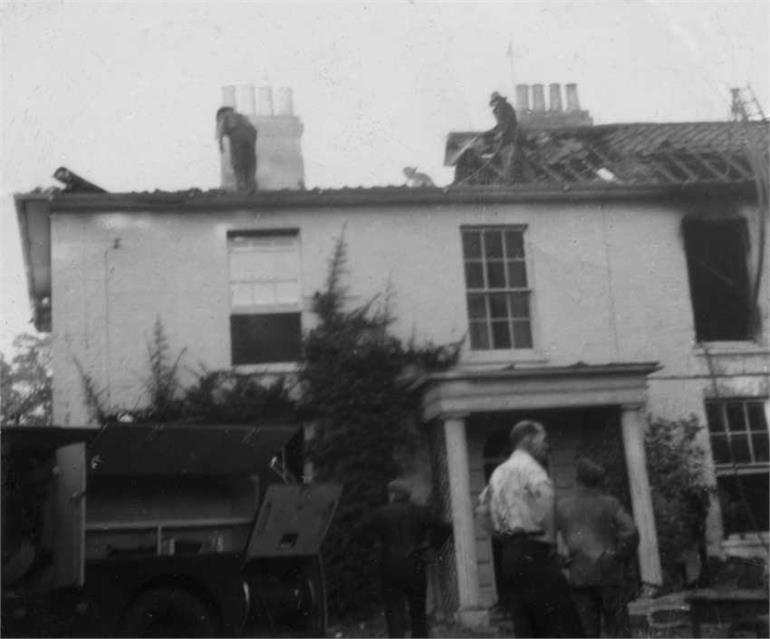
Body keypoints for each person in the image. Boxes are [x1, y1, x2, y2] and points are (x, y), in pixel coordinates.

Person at [487, 420, 584, 638]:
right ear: (528, 439)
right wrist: (551, 542)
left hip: (510, 554)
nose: (546, 445)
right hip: (535, 549)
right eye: (543, 439)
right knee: (561, 622)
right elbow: (546, 498)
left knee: (525, 624)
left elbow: (482, 512)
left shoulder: (498, 472)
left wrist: (504, 536)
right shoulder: (531, 468)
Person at [556, 458, 639, 638]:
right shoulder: (610, 504)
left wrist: (563, 562)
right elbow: (630, 531)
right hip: (609, 573)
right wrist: (619, 555)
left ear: (577, 479)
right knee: (618, 630)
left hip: (578, 575)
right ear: (599, 481)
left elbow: (551, 540)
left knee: (586, 632)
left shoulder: (562, 507)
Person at [358, 479, 451, 638]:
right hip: (415, 563)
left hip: (389, 564)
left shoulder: (381, 513)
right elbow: (444, 527)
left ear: (393, 494)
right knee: (418, 610)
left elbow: (361, 532)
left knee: (393, 609)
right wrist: (432, 546)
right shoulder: (420, 512)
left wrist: (373, 547)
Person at [215, 106, 258, 192]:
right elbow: (253, 129)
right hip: (251, 134)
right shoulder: (240, 116)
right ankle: (251, 182)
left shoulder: (224, 116)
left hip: (237, 134)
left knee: (237, 160)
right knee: (250, 160)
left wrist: (220, 144)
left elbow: (220, 129)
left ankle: (241, 184)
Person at [483, 91, 519, 183]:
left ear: (495, 101)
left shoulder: (501, 106)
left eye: (493, 103)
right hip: (510, 138)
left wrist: (499, 133)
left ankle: (508, 182)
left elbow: (504, 122)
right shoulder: (505, 106)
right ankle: (508, 181)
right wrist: (493, 131)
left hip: (508, 139)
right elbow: (502, 123)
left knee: (507, 161)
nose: (493, 106)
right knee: (507, 160)